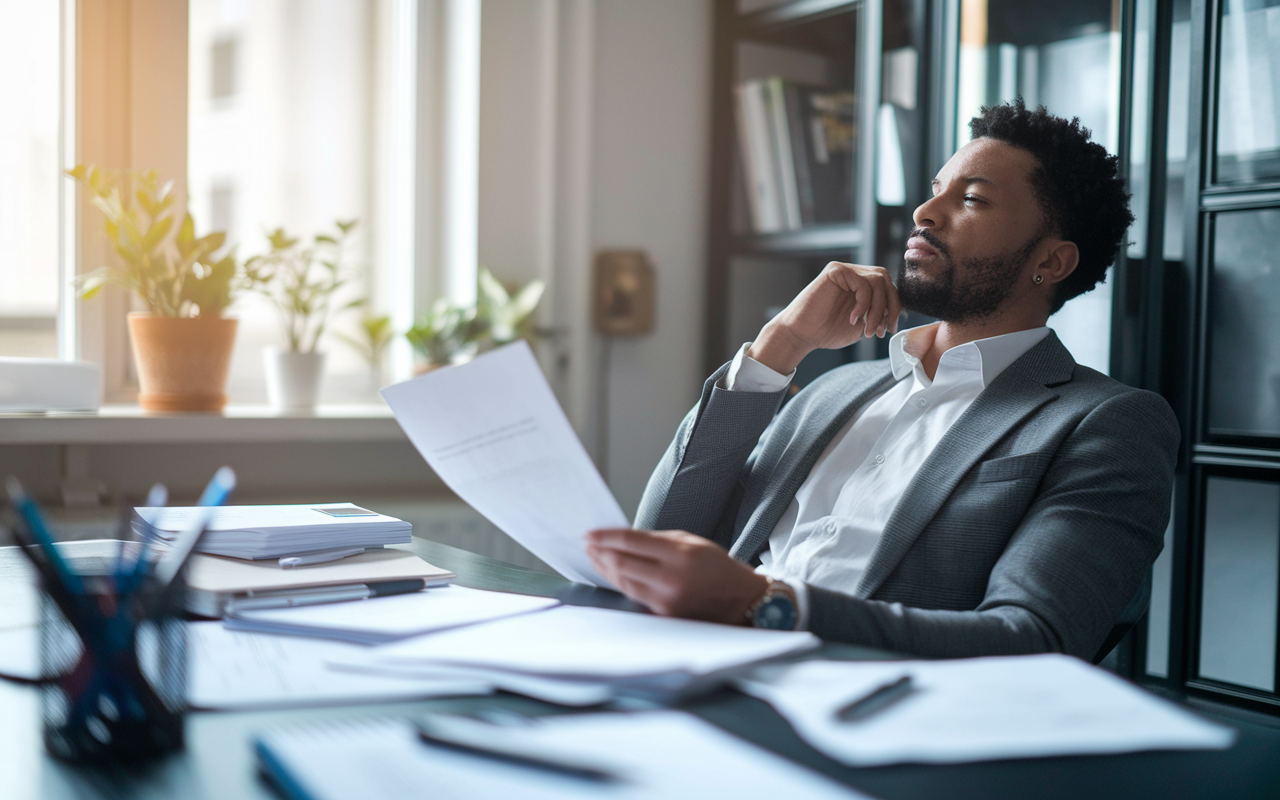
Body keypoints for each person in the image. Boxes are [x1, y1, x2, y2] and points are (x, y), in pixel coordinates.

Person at [584, 100, 1179, 661]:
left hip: (864, 719)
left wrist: (762, 605)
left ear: (1050, 262)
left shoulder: (1105, 424)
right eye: (933, 191)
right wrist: (781, 345)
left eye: (971, 199)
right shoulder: (832, 391)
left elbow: (1031, 639)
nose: (924, 213)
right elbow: (662, 536)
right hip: (686, 670)